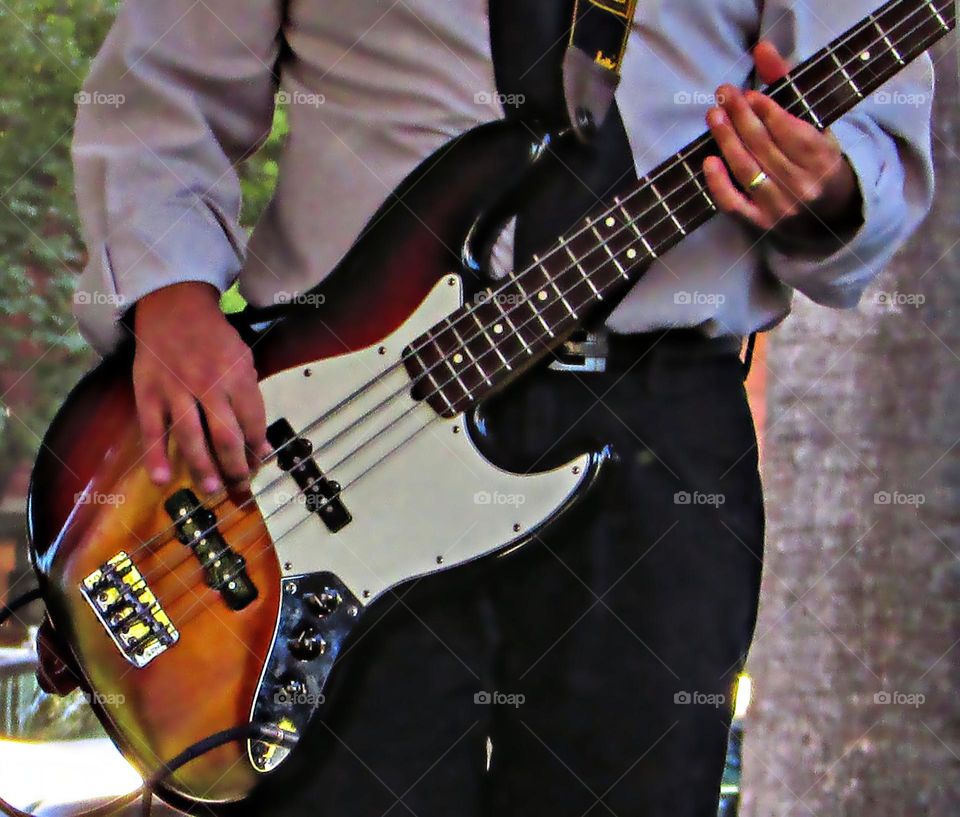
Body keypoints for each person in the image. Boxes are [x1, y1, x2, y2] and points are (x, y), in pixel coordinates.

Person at [66, 1, 934, 815]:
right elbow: (162, 88)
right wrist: (169, 299)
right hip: (335, 420)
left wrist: (828, 187)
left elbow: (875, 143)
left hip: (658, 437)